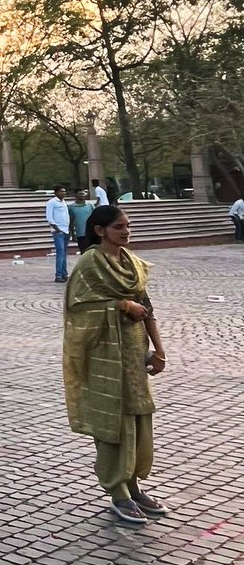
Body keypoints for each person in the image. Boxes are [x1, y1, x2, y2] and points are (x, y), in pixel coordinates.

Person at [63, 205, 168, 525]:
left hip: (134, 356)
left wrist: (159, 352)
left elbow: (147, 308)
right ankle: (118, 492)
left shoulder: (132, 264)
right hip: (103, 358)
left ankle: (133, 485)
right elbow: (78, 309)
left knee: (138, 419)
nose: (126, 231)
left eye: (128, 226)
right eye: (119, 227)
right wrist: (121, 304)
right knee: (113, 423)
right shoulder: (89, 264)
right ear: (100, 231)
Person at [46, 185, 72, 283]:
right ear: (56, 192)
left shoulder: (64, 202)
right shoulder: (52, 202)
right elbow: (49, 218)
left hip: (66, 230)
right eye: (61, 191)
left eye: (64, 192)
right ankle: (59, 275)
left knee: (64, 253)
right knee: (60, 253)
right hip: (58, 231)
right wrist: (57, 229)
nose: (63, 193)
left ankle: (64, 273)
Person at [69, 189, 97, 254]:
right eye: (80, 194)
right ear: (75, 195)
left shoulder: (90, 205)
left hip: (91, 233)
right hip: (80, 234)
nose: (82, 195)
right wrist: (73, 234)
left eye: (83, 194)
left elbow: (95, 218)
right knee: (84, 253)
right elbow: (71, 221)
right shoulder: (71, 207)